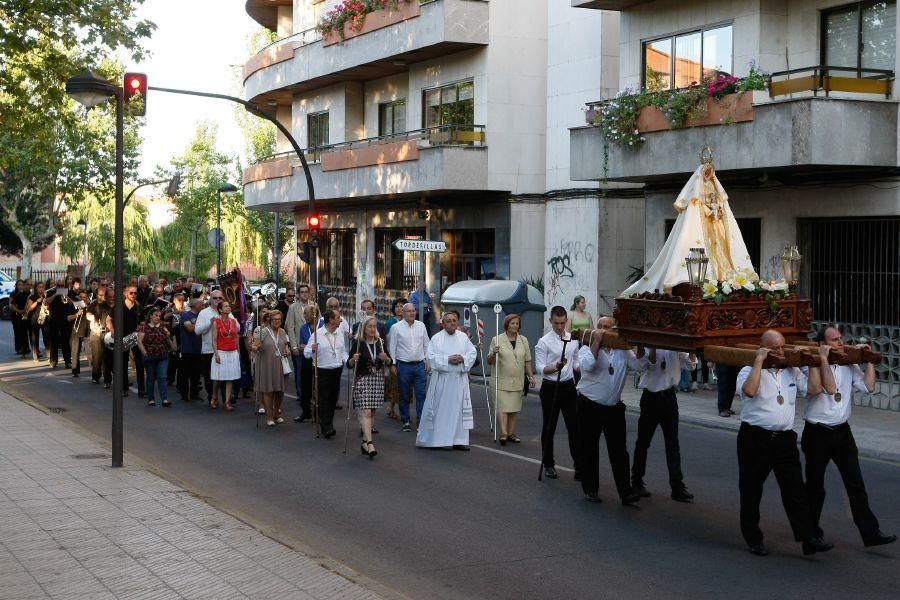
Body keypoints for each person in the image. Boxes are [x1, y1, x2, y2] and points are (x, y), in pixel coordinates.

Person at [736, 329, 835, 557]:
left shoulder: (792, 370)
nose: (780, 352)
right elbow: (749, 391)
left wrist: (810, 364)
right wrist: (759, 361)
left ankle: (808, 537)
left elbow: (813, 389)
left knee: (795, 490)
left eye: (782, 347)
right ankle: (753, 538)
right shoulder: (747, 370)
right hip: (755, 438)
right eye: (774, 348)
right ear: (764, 348)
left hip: (784, 440)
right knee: (751, 489)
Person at [802, 326, 896, 548]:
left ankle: (871, 533)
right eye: (834, 340)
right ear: (821, 344)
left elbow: (868, 387)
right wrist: (823, 358)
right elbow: (829, 387)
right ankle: (811, 535)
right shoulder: (810, 366)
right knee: (815, 487)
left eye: (841, 339)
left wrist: (869, 359)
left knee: (856, 484)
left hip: (842, 432)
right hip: (817, 432)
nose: (840, 343)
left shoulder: (848, 363)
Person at [576, 319, 644, 505]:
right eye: (601, 327)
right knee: (589, 448)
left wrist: (642, 347)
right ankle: (590, 489)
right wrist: (596, 343)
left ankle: (626, 492)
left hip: (614, 407)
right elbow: (587, 366)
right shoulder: (585, 348)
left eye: (608, 328)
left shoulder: (623, 350)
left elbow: (640, 366)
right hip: (589, 405)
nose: (604, 331)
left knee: (619, 451)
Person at [631, 347, 696, 502]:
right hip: (650, 398)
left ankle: (677, 487)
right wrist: (653, 346)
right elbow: (647, 365)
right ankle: (637, 482)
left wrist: (692, 349)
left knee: (673, 444)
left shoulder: (675, 347)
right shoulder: (646, 345)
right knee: (643, 442)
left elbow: (690, 365)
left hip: (669, 397)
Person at [416, 311, 477, 450]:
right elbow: (430, 357)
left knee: (459, 411)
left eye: (454, 320)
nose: (452, 323)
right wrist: (447, 359)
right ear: (443, 323)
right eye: (449, 321)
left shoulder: (463, 337)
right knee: (443, 411)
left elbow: (472, 353)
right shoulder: (437, 338)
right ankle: (443, 440)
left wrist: (463, 359)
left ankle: (459, 440)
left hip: (459, 380)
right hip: (443, 380)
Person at [534, 306, 581, 480]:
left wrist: (584, 365)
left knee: (574, 427)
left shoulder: (573, 339)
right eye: (556, 323)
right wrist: (555, 367)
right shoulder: (544, 342)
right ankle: (549, 464)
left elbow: (576, 362)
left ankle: (579, 466)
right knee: (549, 426)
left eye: (562, 323)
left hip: (568, 387)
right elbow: (540, 368)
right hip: (550, 387)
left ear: (566, 321)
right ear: (550, 321)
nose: (560, 327)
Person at [347, 315, 392, 458]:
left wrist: (387, 359)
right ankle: (371, 443)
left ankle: (365, 443)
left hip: (377, 380)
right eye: (370, 326)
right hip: (362, 380)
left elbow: (390, 362)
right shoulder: (358, 343)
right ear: (364, 328)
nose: (373, 329)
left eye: (374, 326)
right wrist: (353, 360)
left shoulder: (380, 342)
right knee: (366, 411)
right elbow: (348, 364)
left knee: (372, 412)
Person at [487, 313, 535, 445]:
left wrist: (531, 377)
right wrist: (493, 353)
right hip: (501, 379)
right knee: (502, 407)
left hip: (517, 380)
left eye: (517, 323)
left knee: (513, 408)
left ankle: (511, 433)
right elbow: (489, 361)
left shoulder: (523, 340)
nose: (515, 325)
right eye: (512, 323)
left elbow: (527, 361)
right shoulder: (496, 339)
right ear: (507, 324)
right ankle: (503, 433)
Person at [305, 309, 347, 437]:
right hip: (322, 370)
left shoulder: (339, 333)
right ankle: (326, 426)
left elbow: (343, 351)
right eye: (338, 317)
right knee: (324, 398)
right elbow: (306, 353)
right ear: (331, 320)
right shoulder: (317, 334)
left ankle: (328, 422)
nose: (341, 320)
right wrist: (312, 349)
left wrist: (348, 360)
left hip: (337, 369)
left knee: (333, 399)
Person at [388, 303, 430, 433]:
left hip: (419, 365)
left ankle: (420, 422)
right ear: (403, 313)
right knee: (404, 395)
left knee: (421, 394)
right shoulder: (396, 328)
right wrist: (393, 364)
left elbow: (426, 344)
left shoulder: (421, 326)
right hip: (404, 365)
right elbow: (392, 346)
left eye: (414, 311)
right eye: (409, 311)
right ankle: (405, 420)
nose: (412, 313)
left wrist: (428, 361)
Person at [252, 309, 291, 426]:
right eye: (274, 319)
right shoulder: (263, 331)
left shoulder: (283, 332)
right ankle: (269, 416)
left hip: (279, 364)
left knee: (279, 390)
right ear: (270, 320)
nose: (277, 322)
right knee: (269, 390)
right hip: (266, 364)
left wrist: (287, 351)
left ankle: (276, 412)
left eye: (279, 319)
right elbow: (253, 347)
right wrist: (256, 347)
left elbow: (285, 346)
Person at [136, 307, 175, 407]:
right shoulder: (144, 327)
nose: (158, 317)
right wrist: (145, 353)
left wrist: (167, 335)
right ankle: (151, 399)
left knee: (162, 377)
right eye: (156, 315)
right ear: (150, 316)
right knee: (151, 377)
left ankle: (164, 399)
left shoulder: (163, 327)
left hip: (162, 355)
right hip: (150, 356)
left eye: (159, 316)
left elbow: (168, 339)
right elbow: (139, 342)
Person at [210, 300, 241, 411]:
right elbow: (214, 339)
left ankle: (227, 402)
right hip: (221, 352)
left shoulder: (233, 321)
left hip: (232, 352)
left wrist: (238, 352)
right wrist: (216, 353)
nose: (228, 308)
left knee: (230, 378)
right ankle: (214, 396)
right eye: (226, 306)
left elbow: (236, 337)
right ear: (220, 309)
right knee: (218, 377)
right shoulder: (216, 322)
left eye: (229, 306)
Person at [194, 289, 223, 405]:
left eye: (220, 298)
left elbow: (237, 328)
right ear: (210, 300)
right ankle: (212, 396)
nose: (218, 300)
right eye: (215, 298)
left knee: (224, 375)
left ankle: (226, 399)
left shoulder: (226, 311)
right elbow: (197, 331)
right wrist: (210, 323)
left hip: (223, 349)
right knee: (209, 376)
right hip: (208, 349)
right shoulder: (204, 313)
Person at [292, 305, 317, 423]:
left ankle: (318, 412)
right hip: (307, 359)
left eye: (306, 314)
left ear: (313, 314)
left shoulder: (321, 326)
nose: (304, 316)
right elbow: (301, 344)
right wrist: (308, 346)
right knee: (305, 385)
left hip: (319, 360)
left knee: (318, 387)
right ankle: (306, 411)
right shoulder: (303, 328)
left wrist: (307, 346)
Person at [383, 298, 407, 419]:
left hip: (405, 357)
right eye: (397, 306)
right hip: (393, 357)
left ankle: (395, 407)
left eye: (401, 306)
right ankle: (391, 407)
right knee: (393, 383)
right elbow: (388, 341)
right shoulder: (390, 323)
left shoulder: (409, 322)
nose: (399, 308)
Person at [179, 297, 204, 401]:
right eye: (201, 304)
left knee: (196, 374)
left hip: (198, 348)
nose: (202, 306)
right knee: (185, 373)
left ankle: (194, 394)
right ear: (195, 305)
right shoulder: (186, 315)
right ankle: (184, 394)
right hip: (187, 349)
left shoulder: (201, 315)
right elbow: (189, 328)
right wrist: (202, 326)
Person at [46, 279, 74, 369]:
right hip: (53, 320)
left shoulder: (68, 292)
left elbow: (73, 303)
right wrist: (55, 295)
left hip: (65, 320)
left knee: (65, 342)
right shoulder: (51, 292)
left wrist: (66, 296)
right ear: (56, 285)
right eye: (59, 285)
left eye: (62, 285)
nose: (60, 287)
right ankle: (53, 361)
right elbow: (45, 302)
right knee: (53, 342)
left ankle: (67, 361)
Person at [68, 289, 90, 377]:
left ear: (87, 298)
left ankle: (95, 372)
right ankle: (75, 371)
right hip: (76, 331)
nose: (82, 299)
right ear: (78, 297)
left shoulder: (91, 305)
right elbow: (68, 318)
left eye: (84, 297)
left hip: (88, 330)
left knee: (90, 352)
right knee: (75, 352)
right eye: (81, 297)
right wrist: (76, 314)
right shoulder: (74, 305)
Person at [25, 281, 49, 362]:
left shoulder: (46, 296)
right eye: (40, 287)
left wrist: (45, 299)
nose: (41, 289)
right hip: (34, 319)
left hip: (44, 318)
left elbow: (48, 306)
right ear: (36, 288)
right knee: (35, 337)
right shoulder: (32, 297)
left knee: (46, 336)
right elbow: (29, 308)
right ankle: (35, 354)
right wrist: (37, 301)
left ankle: (48, 353)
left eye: (43, 287)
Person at [9, 280, 31, 357]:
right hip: (15, 315)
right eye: (19, 285)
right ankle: (19, 348)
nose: (21, 286)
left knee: (25, 332)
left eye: (22, 285)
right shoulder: (14, 293)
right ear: (16, 285)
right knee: (18, 332)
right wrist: (19, 311)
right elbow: (11, 305)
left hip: (24, 315)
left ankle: (26, 348)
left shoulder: (28, 293)